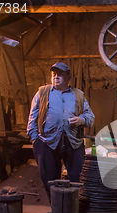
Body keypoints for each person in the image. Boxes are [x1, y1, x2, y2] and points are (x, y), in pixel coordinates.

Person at [27, 62, 94, 201]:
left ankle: (74, 209)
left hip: (73, 142)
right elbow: (32, 118)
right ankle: (57, 210)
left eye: (60, 75)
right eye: (53, 74)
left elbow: (90, 117)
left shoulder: (78, 95)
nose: (56, 77)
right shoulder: (42, 92)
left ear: (68, 77)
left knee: (77, 178)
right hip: (47, 142)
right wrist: (35, 140)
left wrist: (80, 120)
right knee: (50, 180)